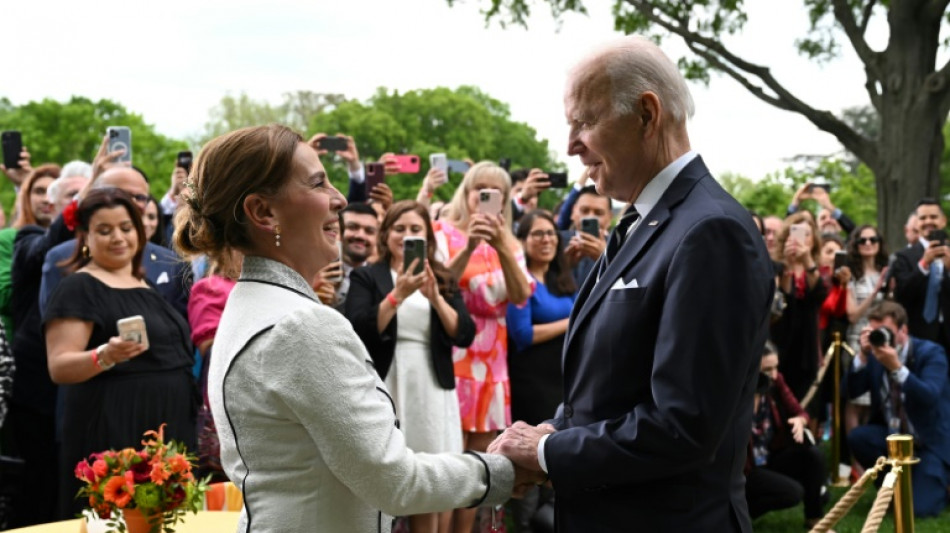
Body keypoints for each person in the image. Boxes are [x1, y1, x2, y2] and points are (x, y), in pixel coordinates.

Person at [173, 124, 530, 533]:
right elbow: (394, 480)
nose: (340, 199)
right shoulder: (301, 325)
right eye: (318, 183)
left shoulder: (250, 301)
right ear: (263, 212)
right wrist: (507, 470)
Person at [489, 36, 774, 532]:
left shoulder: (710, 231)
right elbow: (611, 388)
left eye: (585, 121)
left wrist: (548, 451)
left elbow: (684, 425)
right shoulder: (646, 221)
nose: (570, 145)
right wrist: (550, 431)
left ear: (646, 114)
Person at [44, 187, 197, 518]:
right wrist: (105, 355)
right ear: (85, 236)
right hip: (114, 425)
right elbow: (59, 366)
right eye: (104, 230)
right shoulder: (78, 286)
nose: (118, 237)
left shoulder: (144, 284)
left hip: (167, 426)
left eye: (126, 228)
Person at [345, 200, 476, 533]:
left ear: (427, 237)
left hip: (431, 385)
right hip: (386, 379)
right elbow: (359, 328)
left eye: (415, 229)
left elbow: (464, 333)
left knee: (430, 478)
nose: (406, 235)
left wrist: (436, 298)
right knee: (384, 474)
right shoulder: (367, 276)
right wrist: (397, 295)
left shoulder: (442, 277)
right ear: (386, 234)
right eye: (399, 228)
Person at [432, 160, 533, 533]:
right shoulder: (442, 233)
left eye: (496, 192)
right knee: (448, 461)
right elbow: (440, 286)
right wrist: (470, 246)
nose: (486, 196)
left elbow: (520, 296)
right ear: (467, 192)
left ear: (504, 200)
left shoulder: (511, 244)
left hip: (492, 362)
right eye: (480, 189)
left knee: (477, 466)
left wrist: (501, 246)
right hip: (453, 353)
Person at [505, 210, 576, 532]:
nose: (546, 239)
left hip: (563, 382)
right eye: (537, 233)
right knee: (531, 462)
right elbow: (522, 334)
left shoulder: (565, 281)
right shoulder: (521, 283)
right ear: (522, 240)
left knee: (557, 466)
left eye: (550, 233)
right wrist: (569, 322)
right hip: (531, 383)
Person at [847, 301, 950, 517]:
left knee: (918, 510)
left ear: (903, 331)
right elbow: (850, 391)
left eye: (886, 332)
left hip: (928, 441)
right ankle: (893, 489)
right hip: (893, 437)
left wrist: (897, 368)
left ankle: (938, 482)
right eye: (875, 332)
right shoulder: (875, 355)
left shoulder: (931, 353)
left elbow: (929, 397)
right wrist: (862, 356)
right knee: (858, 438)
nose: (881, 338)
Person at [745, 342, 828, 529]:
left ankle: (815, 520)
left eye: (776, 367)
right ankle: (739, 514)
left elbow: (800, 412)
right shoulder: (736, 395)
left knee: (814, 456)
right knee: (792, 493)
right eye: (767, 370)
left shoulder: (776, 382)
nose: (774, 375)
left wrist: (800, 421)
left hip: (770, 457)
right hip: (746, 470)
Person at [770, 213, 827, 403]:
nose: (801, 238)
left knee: (805, 402)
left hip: (807, 348)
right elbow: (781, 303)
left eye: (807, 234)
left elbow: (819, 295)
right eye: (795, 232)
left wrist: (807, 260)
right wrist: (787, 266)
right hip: (781, 341)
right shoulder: (776, 266)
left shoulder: (818, 268)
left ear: (814, 240)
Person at [891, 198, 950, 354]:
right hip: (918, 335)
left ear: (943, 221)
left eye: (933, 217)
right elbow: (902, 295)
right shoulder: (903, 256)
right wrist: (924, 264)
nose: (928, 221)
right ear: (916, 223)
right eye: (923, 218)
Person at [336, 202, 380, 309]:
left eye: (369, 231)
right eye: (352, 227)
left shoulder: (382, 279)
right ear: (338, 230)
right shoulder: (317, 273)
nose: (360, 236)